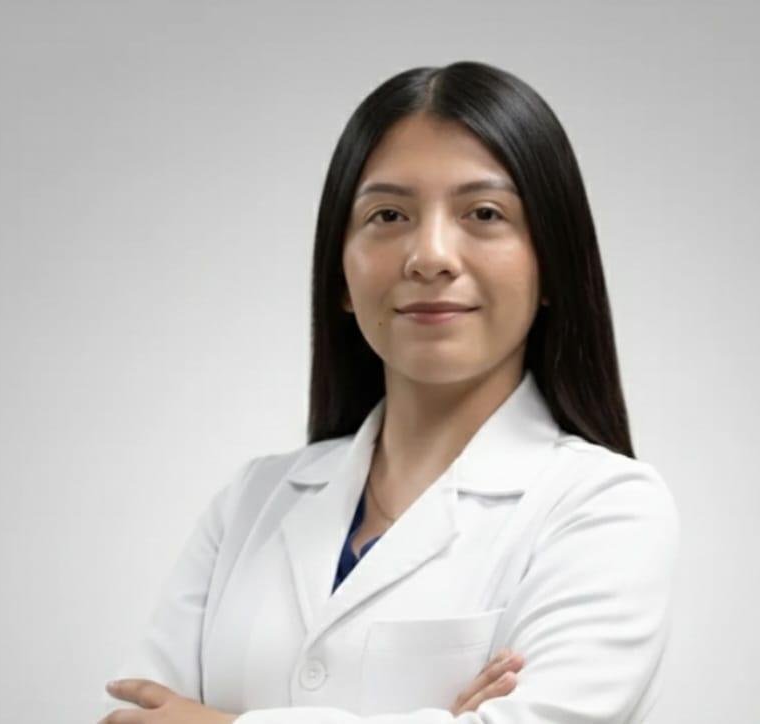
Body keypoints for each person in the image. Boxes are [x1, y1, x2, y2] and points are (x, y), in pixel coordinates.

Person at [98, 61, 680, 724]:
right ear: (340, 275)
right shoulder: (250, 503)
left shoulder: (606, 507)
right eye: (389, 214)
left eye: (484, 213)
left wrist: (219, 723)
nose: (429, 256)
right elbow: (129, 717)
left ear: (551, 265)